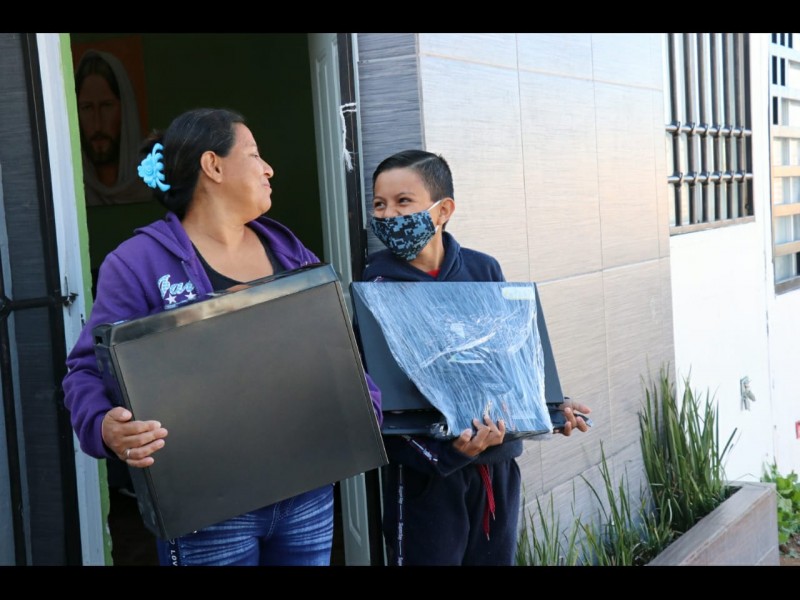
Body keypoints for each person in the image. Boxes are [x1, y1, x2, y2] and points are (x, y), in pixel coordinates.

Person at [62, 107, 382, 566]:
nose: (268, 169)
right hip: (207, 509)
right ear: (213, 166)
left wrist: (364, 404)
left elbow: (335, 343)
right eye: (254, 154)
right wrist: (103, 426)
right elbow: (86, 370)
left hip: (306, 494)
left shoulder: (287, 249)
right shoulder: (137, 262)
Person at [362, 149, 591, 566]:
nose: (388, 215)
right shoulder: (374, 288)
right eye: (379, 204)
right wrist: (448, 454)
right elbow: (375, 397)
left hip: (497, 466)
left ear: (443, 210)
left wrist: (551, 407)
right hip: (427, 477)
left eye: (403, 202)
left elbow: (509, 363)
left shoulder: (484, 270)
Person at [74, 49, 153, 206]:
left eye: (106, 106)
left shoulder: (149, 183)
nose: (97, 124)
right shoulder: (70, 189)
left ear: (125, 109)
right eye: (87, 107)